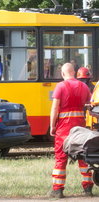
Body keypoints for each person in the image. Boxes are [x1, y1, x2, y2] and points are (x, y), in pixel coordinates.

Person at [49, 63, 93, 198]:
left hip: (64, 129)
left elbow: (55, 108)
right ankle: (88, 188)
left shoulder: (60, 86)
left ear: (63, 74)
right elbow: (89, 105)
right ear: (74, 72)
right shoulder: (84, 86)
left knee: (61, 159)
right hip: (79, 127)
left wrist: (52, 126)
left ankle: (57, 190)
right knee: (83, 157)